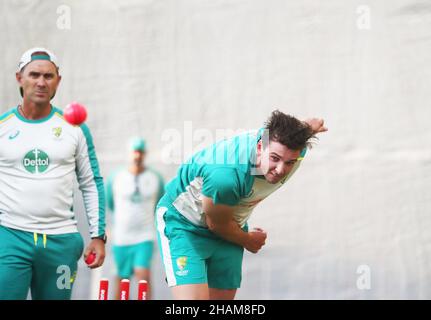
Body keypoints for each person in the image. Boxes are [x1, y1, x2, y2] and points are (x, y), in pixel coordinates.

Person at [156, 110, 327, 300]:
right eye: (275, 159)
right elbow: (217, 225)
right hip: (184, 225)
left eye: (290, 162)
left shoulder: (294, 148)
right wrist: (249, 240)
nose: (280, 170)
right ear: (260, 147)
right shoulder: (226, 175)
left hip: (230, 226)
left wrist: (308, 128)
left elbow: (295, 133)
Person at [0, 48, 106, 300]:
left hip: (60, 241)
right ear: (19, 78)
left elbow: (91, 183)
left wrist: (97, 236)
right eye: (34, 74)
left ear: (58, 80)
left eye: (48, 76)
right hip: (10, 236)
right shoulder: (3, 127)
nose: (40, 82)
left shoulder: (75, 128)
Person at [106, 137, 164, 300]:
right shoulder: (116, 177)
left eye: (140, 152)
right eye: (134, 152)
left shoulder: (155, 178)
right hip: (122, 237)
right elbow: (111, 203)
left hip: (144, 235)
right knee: (121, 278)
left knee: (143, 275)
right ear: (129, 153)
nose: (137, 156)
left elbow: (160, 202)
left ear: (145, 154)